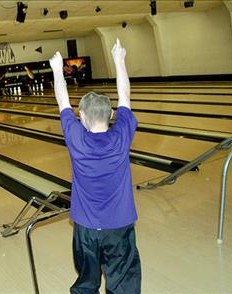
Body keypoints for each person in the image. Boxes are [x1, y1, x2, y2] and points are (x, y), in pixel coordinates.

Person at [49, 39, 141, 294]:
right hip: (119, 226)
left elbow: (62, 102)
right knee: (123, 282)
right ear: (111, 115)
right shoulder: (122, 135)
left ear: (82, 117)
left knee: (87, 282)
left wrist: (58, 70)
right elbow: (125, 96)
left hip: (86, 229)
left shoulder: (76, 137)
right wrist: (119, 60)